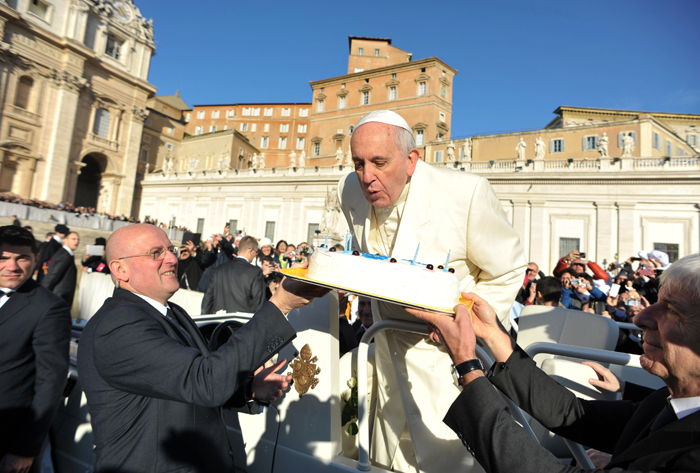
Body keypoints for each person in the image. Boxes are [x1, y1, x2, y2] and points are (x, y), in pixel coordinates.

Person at [337, 110, 526, 471]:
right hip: (385, 349)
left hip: (446, 360)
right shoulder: (348, 188)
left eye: (379, 162)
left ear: (411, 160)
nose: (366, 177)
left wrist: (464, 327)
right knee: (383, 458)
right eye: (358, 163)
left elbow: (508, 270)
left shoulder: (465, 193)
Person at [409, 252, 700, 473]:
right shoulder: (666, 402)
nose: (641, 317)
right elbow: (571, 413)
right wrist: (493, 335)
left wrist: (467, 365)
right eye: (657, 303)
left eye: (672, 311)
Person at [77, 224, 329, 473]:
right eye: (156, 253)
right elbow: (203, 382)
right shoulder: (118, 325)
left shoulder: (171, 312)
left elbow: (183, 385)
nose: (172, 258)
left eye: (171, 249)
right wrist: (280, 304)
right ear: (120, 269)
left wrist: (249, 388)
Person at [0, 226, 71, 473]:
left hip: (6, 436)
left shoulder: (49, 308)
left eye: (22, 258)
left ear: (35, 260)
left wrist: (25, 448)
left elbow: (50, 382)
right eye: (4, 258)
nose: (12, 266)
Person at [201, 235, 265, 314]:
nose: (255, 255)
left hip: (219, 322)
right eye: (256, 252)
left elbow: (208, 298)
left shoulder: (219, 269)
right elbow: (259, 303)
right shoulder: (256, 272)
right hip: (243, 322)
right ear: (250, 250)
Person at [41, 231, 79, 307]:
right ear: (65, 239)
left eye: (78, 239)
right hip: (59, 297)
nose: (76, 241)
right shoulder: (64, 255)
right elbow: (52, 276)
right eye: (73, 239)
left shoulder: (66, 254)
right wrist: (41, 294)